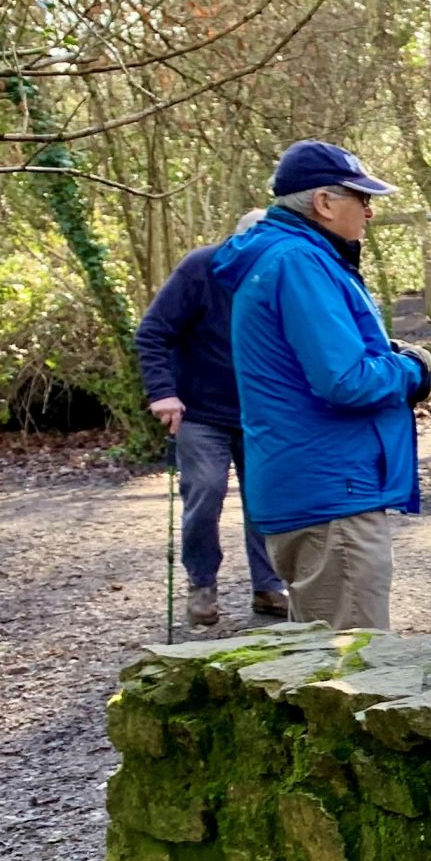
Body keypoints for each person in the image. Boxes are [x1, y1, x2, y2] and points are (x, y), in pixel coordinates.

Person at [216, 141, 431, 631]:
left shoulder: (283, 257)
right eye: (362, 198)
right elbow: (346, 379)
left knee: (321, 653)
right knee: (354, 669)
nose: (370, 211)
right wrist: (414, 369)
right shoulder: (299, 261)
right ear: (324, 202)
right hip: (333, 492)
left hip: (311, 486)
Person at [137, 207, 288, 627]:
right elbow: (153, 332)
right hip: (201, 410)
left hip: (260, 412)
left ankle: (269, 586)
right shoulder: (201, 268)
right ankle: (202, 583)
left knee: (266, 500)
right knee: (205, 492)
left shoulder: (283, 275)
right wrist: (163, 393)